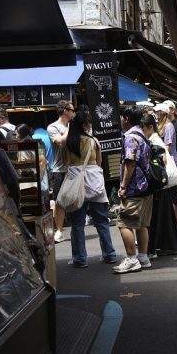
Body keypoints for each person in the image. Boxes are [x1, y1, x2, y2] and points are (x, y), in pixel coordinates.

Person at [62, 110, 117, 267]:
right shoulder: (94, 141)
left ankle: (80, 259)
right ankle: (110, 255)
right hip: (94, 184)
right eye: (89, 123)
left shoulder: (68, 142)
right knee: (101, 221)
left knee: (77, 224)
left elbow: (65, 162)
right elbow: (99, 162)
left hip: (75, 184)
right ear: (84, 125)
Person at [113, 106, 154, 274]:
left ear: (127, 118)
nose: (121, 121)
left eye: (123, 117)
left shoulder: (130, 137)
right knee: (142, 224)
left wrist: (123, 186)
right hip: (146, 187)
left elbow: (130, 162)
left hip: (134, 187)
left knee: (124, 223)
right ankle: (143, 257)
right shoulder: (142, 135)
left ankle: (131, 259)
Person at [143, 113, 177, 256]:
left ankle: (154, 247)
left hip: (159, 183)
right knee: (164, 217)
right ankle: (168, 244)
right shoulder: (155, 139)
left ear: (150, 127)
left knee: (158, 218)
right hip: (162, 183)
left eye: (143, 128)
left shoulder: (154, 141)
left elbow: (163, 160)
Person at [47, 100, 75, 243]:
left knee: (76, 198)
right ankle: (59, 230)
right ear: (65, 111)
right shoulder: (53, 127)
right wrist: (71, 127)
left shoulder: (74, 126)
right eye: (72, 110)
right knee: (59, 201)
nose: (73, 112)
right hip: (59, 169)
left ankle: (76, 227)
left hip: (74, 167)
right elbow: (60, 142)